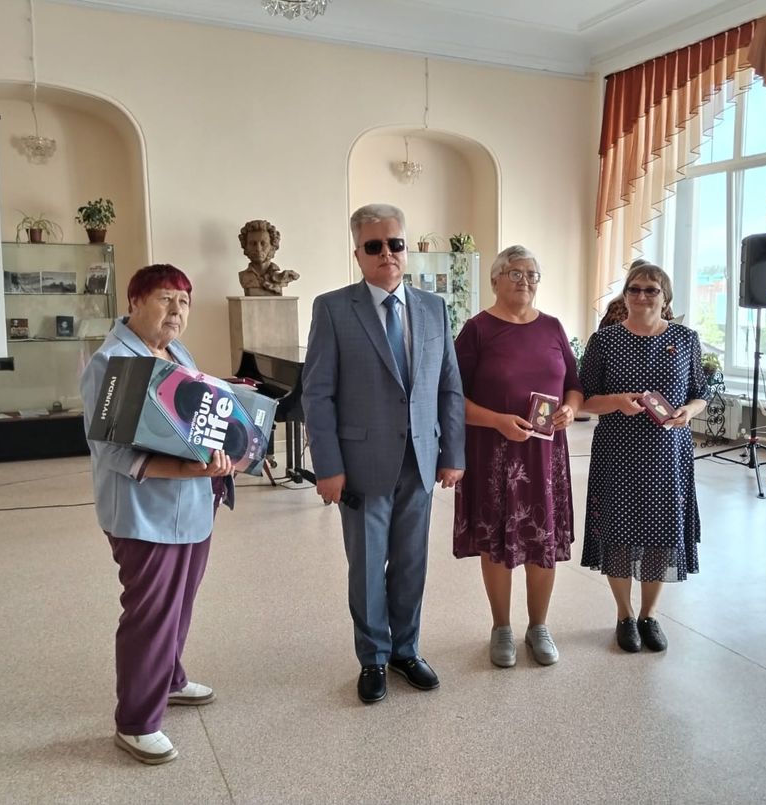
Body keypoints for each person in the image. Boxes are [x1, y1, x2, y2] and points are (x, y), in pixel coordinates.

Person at [301, 203, 465, 704]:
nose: (387, 254)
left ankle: (405, 650)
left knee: (412, 562)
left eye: (395, 244)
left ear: (406, 248)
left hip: (420, 459)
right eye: (374, 246)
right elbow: (317, 394)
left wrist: (453, 452)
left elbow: (449, 386)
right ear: (358, 254)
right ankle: (373, 656)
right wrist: (327, 466)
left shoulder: (433, 308)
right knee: (369, 565)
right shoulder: (333, 308)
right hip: (360, 465)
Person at [80, 264, 234, 764]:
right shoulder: (111, 363)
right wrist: (188, 471)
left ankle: (168, 678)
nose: (176, 311)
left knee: (179, 602)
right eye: (165, 299)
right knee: (150, 612)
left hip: (192, 504)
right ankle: (136, 722)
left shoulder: (176, 352)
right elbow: (113, 453)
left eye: (184, 302)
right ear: (134, 302)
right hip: (144, 513)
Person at [452, 245, 583, 668]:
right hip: (494, 456)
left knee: (543, 539)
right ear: (495, 280)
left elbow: (575, 385)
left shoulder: (553, 328)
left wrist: (571, 410)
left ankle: (538, 626)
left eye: (531, 274)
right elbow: (452, 399)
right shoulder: (477, 330)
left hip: (545, 459)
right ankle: (502, 627)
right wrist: (496, 421)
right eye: (514, 273)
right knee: (497, 543)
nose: (524, 280)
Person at [578, 262, 710, 653]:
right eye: (634, 289)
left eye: (651, 289)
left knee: (660, 534)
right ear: (625, 295)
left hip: (667, 454)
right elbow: (584, 399)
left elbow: (700, 393)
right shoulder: (605, 340)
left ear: (665, 297)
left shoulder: (685, 339)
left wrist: (689, 411)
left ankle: (649, 615)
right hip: (617, 452)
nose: (641, 296)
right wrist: (618, 402)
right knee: (618, 534)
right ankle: (624, 614)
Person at [237, 219, 300, 295]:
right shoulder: (244, 277)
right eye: (253, 243)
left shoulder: (282, 277)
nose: (258, 249)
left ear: (272, 246)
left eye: (263, 243)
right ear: (246, 247)